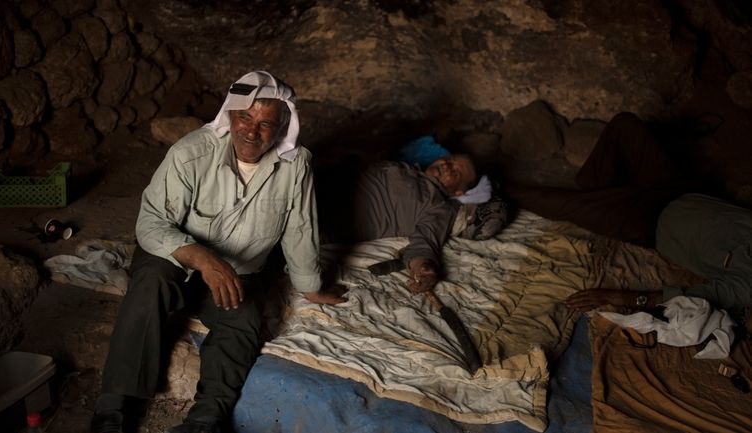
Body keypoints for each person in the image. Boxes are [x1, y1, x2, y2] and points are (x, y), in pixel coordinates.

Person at [90, 71, 346, 433]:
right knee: (149, 285)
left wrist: (309, 284)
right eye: (245, 117)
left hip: (239, 270)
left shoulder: (296, 164)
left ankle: (206, 419)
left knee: (245, 317)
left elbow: (300, 227)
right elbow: (150, 223)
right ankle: (113, 410)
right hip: (174, 259)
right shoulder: (191, 153)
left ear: (280, 128)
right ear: (230, 115)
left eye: (265, 124)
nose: (251, 130)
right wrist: (203, 258)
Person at [504, 112, 751, 329]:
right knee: (625, 125)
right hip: (679, 190)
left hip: (649, 222)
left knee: (561, 204)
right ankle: (596, 193)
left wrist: (619, 297)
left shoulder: (746, 286)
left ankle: (492, 188)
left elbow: (691, 299)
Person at [317, 153, 508, 294]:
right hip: (318, 184)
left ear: (459, 192)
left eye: (455, 173)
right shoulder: (409, 169)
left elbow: (425, 242)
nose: (447, 166)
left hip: (322, 218)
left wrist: (423, 269)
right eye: (449, 160)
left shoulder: (439, 206)